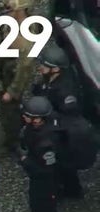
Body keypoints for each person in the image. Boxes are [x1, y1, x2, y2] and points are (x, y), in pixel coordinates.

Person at [32, 45, 84, 199]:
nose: (40, 67)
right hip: (52, 128)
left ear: (55, 69)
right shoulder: (49, 80)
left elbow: (69, 115)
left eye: (44, 65)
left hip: (62, 133)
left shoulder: (66, 90)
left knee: (64, 164)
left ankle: (71, 190)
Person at [0, 0, 36, 155]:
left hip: (13, 76)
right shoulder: (12, 21)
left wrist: (13, 91)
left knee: (9, 110)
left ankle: (12, 142)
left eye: (10, 7)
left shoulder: (25, 35)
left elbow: (25, 67)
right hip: (5, 67)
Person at [18, 96, 62, 212]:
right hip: (37, 179)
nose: (24, 117)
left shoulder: (46, 142)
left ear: (37, 120)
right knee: (36, 204)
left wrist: (25, 160)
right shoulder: (35, 129)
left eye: (28, 116)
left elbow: (45, 169)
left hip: (46, 181)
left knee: (48, 211)